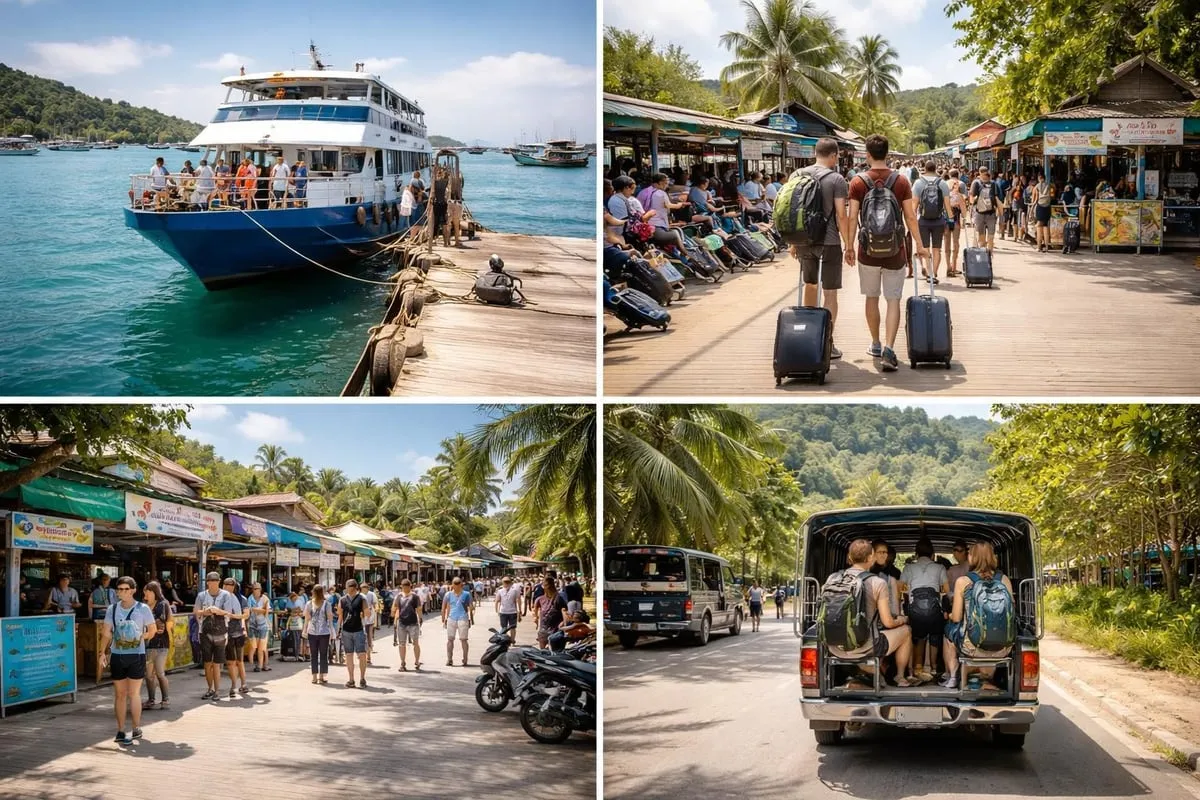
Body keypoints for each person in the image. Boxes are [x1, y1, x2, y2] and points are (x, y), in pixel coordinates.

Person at [846, 134, 928, 372]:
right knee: (893, 299)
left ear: (868, 154)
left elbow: (853, 217)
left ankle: (875, 343)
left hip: (867, 250)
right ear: (888, 154)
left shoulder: (858, 182)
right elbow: (910, 216)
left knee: (871, 297)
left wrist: (849, 246)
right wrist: (920, 246)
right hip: (896, 250)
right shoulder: (901, 181)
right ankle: (889, 349)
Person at [791, 137, 851, 360]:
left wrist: (792, 242)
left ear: (815, 153)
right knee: (830, 293)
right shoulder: (836, 179)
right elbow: (841, 215)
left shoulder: (797, 175)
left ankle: (809, 336)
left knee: (810, 284)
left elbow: (790, 211)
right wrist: (849, 244)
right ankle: (827, 341)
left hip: (804, 240)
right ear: (834, 155)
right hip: (830, 241)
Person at [826, 539, 914, 688]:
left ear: (849, 557)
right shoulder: (877, 582)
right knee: (906, 631)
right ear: (870, 558)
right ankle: (899, 676)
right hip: (865, 646)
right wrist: (902, 620)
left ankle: (866, 676)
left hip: (834, 646)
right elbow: (888, 622)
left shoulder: (832, 579)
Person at [940, 541, 1014, 689]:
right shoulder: (1004, 579)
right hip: (1004, 648)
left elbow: (956, 617)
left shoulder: (963, 581)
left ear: (972, 557)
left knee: (948, 632)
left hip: (972, 647)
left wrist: (949, 614)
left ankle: (953, 676)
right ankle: (987, 678)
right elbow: (1012, 610)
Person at [99, 576, 156, 746]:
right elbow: (106, 632)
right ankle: (121, 730)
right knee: (120, 694)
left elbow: (152, 630)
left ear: (133, 590)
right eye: (119, 589)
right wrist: (102, 652)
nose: (122, 592)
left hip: (137, 655)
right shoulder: (112, 609)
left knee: (134, 694)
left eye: (125, 589)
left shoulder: (143, 608)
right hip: (117, 655)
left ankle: (135, 728)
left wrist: (141, 636)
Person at [898, 537, 949, 683]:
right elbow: (947, 590)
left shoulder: (908, 568)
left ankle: (917, 667)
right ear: (933, 554)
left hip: (915, 609)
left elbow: (899, 587)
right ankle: (933, 668)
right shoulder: (940, 567)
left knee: (918, 637)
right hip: (934, 609)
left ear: (916, 554)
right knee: (935, 636)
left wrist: (902, 600)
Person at [195, 572, 239, 701]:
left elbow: (229, 612)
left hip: (221, 632)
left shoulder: (226, 595)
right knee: (207, 663)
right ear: (207, 582)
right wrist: (206, 612)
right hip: (205, 631)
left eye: (215, 580)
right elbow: (196, 611)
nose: (213, 582)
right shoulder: (201, 595)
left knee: (217, 663)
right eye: (211, 580)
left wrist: (217, 611)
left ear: (218, 581)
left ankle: (217, 690)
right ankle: (210, 689)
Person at [911, 160, 954, 284]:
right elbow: (947, 205)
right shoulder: (943, 184)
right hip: (938, 220)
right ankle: (934, 274)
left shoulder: (918, 183)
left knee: (925, 248)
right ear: (935, 169)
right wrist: (951, 220)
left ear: (925, 168)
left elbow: (914, 205)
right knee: (937, 249)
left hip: (923, 221)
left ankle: (929, 272)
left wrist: (912, 222)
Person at [142, 580, 172, 710]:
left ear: (154, 592)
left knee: (159, 672)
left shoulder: (163, 604)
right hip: (147, 644)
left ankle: (165, 698)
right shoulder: (143, 606)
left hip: (161, 643)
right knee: (148, 675)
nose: (145, 595)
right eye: (144, 592)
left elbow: (162, 624)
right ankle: (151, 699)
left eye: (147, 592)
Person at [338, 579, 369, 688]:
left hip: (351, 630)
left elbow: (340, 616)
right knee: (360, 655)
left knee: (351, 655)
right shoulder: (361, 598)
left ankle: (353, 679)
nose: (348, 590)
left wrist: (338, 630)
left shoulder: (343, 599)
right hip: (356, 630)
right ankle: (360, 678)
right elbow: (368, 613)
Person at [967, 166, 1004, 258]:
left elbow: (971, 200)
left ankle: (983, 257)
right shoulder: (993, 184)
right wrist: (1001, 217)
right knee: (991, 237)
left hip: (979, 214)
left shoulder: (976, 183)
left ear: (979, 172)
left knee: (981, 238)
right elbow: (997, 200)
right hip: (991, 214)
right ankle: (989, 256)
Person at [222, 578, 249, 697]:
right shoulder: (220, 598)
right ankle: (234, 685)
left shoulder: (241, 599)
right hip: (226, 632)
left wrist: (234, 616)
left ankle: (243, 684)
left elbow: (246, 614)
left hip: (238, 632)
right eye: (226, 584)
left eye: (231, 585)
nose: (229, 587)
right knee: (230, 662)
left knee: (240, 661)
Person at [441, 576, 474, 666]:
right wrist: (443, 618)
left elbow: (471, 607)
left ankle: (465, 659)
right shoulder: (448, 594)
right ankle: (449, 659)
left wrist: (471, 618)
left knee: (463, 640)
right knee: (450, 639)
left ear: (461, 585)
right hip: (452, 618)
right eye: (454, 584)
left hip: (463, 618)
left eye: (457, 584)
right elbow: (443, 607)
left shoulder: (466, 594)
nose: (455, 586)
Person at [304, 584, 333, 685]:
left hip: (318, 632)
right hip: (321, 632)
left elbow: (307, 619)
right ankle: (320, 676)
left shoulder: (323, 604)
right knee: (321, 654)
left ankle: (316, 676)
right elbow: (330, 619)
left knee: (316, 654)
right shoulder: (323, 604)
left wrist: (304, 630)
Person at [392, 578, 422, 671]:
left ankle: (417, 661)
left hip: (413, 622)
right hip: (402, 623)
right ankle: (402, 663)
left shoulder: (415, 596)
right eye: (403, 587)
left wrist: (420, 619)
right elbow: (395, 608)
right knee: (402, 644)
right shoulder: (399, 596)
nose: (404, 589)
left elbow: (419, 609)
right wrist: (395, 620)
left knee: (415, 643)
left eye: (406, 587)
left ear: (410, 587)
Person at [532, 576, 567, 650]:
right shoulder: (540, 599)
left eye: (548, 585)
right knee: (543, 652)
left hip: (556, 630)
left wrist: (564, 623)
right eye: (545, 585)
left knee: (555, 652)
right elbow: (534, 610)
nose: (547, 587)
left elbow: (564, 612)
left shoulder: (558, 598)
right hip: (543, 630)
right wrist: (535, 618)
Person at [247, 582, 271, 673]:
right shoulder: (250, 598)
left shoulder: (265, 599)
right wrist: (260, 610)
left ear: (260, 589)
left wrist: (255, 609)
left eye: (257, 589)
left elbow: (266, 611)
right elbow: (248, 610)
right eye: (253, 589)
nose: (255, 590)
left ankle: (261, 665)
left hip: (263, 625)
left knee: (262, 647)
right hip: (253, 625)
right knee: (253, 646)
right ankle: (254, 663)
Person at [1030, 174, 1055, 252]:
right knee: (1046, 227)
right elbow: (1052, 196)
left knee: (1039, 228)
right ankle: (1047, 247)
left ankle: (1039, 246)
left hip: (1040, 208)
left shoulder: (1036, 187)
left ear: (1039, 178)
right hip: (1047, 208)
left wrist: (1031, 210)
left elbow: (1035, 200)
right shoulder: (1050, 186)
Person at [494, 575, 523, 643]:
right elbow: (497, 601)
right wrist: (497, 610)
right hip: (503, 612)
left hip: (512, 612)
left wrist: (519, 610)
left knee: (512, 627)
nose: (506, 583)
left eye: (507, 582)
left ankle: (512, 640)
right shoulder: (500, 591)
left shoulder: (515, 591)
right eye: (505, 582)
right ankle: (506, 640)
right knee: (504, 628)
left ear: (510, 583)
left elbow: (518, 600)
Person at [447, 168, 465, 246]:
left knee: (448, 224)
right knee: (456, 225)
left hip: (450, 204)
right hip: (457, 204)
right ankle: (457, 241)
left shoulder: (448, 186)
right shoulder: (459, 183)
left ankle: (447, 241)